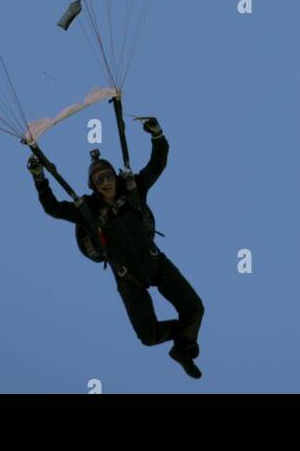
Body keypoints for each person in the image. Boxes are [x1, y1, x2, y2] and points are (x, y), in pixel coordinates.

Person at [27, 117, 204, 379]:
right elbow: (53, 208)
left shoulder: (134, 190)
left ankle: (182, 350)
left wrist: (158, 136)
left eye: (108, 176)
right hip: (127, 277)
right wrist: (40, 178)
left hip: (156, 263)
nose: (106, 183)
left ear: (114, 177)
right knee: (148, 336)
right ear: (93, 187)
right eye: (99, 180)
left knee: (195, 308)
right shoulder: (86, 211)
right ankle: (183, 339)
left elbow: (158, 164)